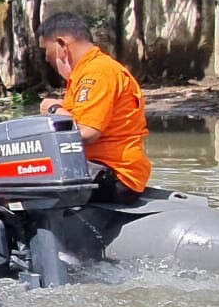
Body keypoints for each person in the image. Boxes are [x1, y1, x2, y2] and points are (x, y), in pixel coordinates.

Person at [37, 11, 151, 203]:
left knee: (29, 177)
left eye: (46, 51)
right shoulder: (86, 73)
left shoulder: (97, 72)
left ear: (61, 45)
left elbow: (88, 132)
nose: (47, 59)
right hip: (97, 168)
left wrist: (54, 109)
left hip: (114, 175)